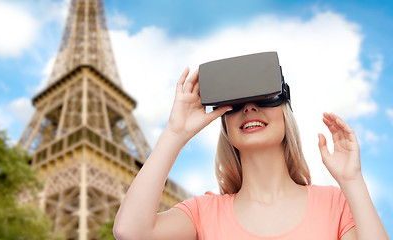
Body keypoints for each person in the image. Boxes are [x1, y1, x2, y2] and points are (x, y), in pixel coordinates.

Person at [113, 67, 389, 240]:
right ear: (225, 125)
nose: (249, 108)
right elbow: (131, 232)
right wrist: (175, 133)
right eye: (235, 104)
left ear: (285, 113)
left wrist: (352, 180)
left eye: (266, 97)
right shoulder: (203, 213)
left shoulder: (335, 204)